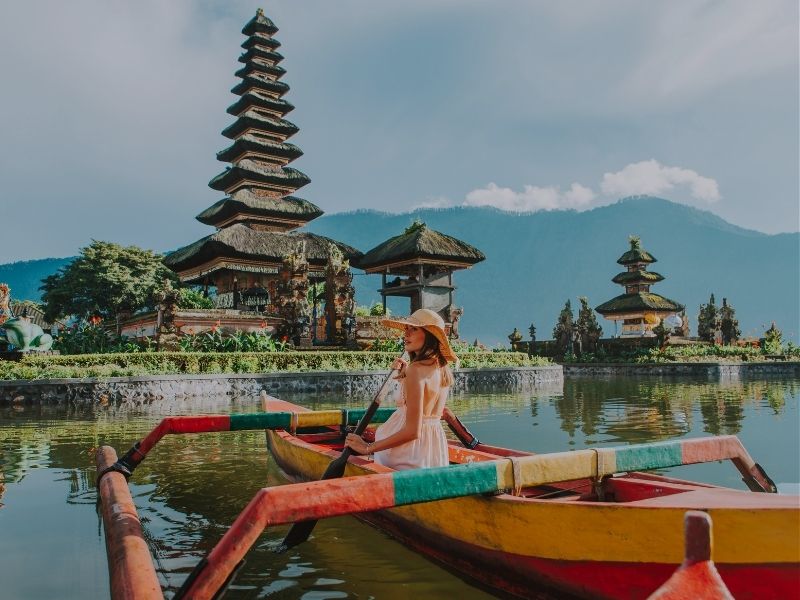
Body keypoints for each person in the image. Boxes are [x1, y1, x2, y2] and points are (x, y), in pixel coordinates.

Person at [345, 308, 457, 470]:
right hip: (433, 450)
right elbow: (427, 405)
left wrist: (368, 447)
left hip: (408, 454)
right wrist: (405, 376)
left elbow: (413, 431)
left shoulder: (416, 370)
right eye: (406, 329)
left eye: (414, 329)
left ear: (429, 335)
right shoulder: (442, 368)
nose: (406, 334)